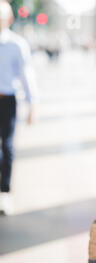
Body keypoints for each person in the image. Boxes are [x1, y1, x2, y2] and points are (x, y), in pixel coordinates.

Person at [0, 1, 38, 215]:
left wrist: (32, 104)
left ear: (9, 19)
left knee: (7, 147)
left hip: (7, 100)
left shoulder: (16, 44)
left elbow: (26, 75)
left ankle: (5, 191)